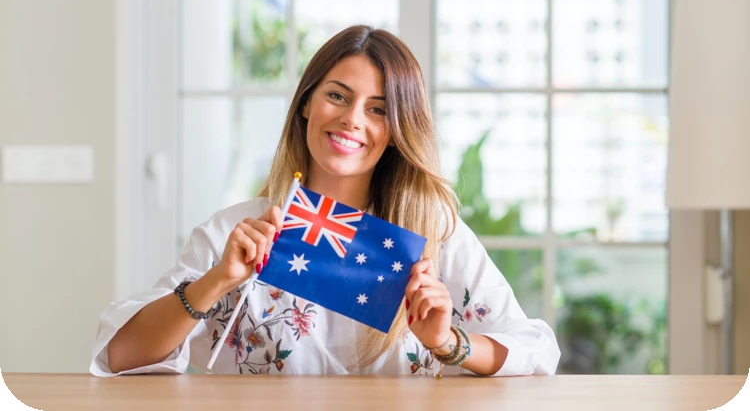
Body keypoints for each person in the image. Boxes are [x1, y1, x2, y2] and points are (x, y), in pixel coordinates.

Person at [91, 25, 560, 377]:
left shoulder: (434, 235)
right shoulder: (239, 230)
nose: (353, 119)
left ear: (397, 132)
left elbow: (537, 351)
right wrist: (217, 280)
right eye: (338, 96)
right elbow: (118, 357)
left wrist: (448, 342)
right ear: (305, 105)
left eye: (378, 109)